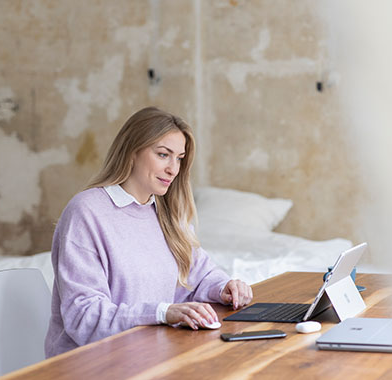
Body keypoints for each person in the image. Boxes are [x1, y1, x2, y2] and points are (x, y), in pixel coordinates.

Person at [44, 107, 253, 358]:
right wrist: (163, 312)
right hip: (92, 364)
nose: (173, 169)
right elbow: (84, 317)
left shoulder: (166, 213)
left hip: (151, 355)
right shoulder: (87, 211)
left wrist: (225, 287)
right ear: (132, 151)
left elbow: (199, 274)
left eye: (179, 158)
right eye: (163, 155)